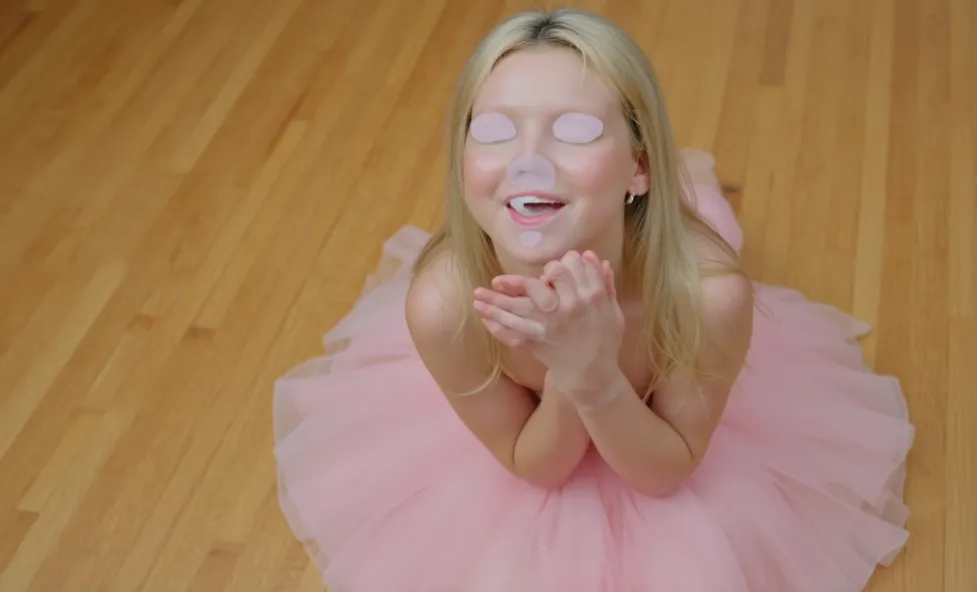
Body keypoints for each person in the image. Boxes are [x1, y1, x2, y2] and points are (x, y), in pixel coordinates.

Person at [272, 8, 914, 591]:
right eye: (493, 131)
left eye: (574, 131)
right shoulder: (445, 306)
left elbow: (666, 471)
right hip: (549, 432)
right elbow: (537, 466)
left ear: (640, 166)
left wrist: (598, 375)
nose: (529, 160)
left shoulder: (708, 297)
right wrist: (570, 374)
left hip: (646, 438)